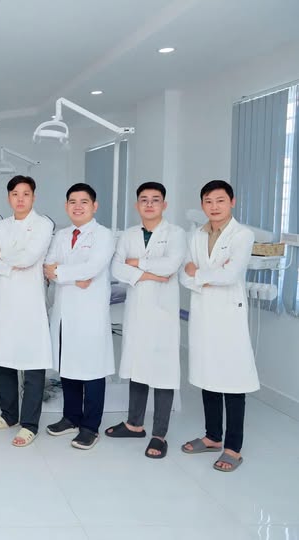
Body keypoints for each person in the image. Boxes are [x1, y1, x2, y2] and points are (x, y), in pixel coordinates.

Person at [180, 180, 259, 472]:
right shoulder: (196, 235)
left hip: (228, 317)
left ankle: (233, 447)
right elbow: (184, 275)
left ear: (232, 202)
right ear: (202, 204)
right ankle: (213, 436)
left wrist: (199, 274)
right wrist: (207, 274)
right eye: (208, 201)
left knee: (233, 380)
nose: (214, 207)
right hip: (203, 314)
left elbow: (230, 275)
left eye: (220, 200)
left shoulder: (243, 235)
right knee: (208, 375)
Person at [107, 182, 186, 458]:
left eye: (155, 199)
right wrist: (151, 273)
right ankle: (134, 424)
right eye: (144, 199)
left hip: (163, 314)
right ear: (137, 205)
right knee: (137, 366)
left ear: (164, 204)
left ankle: (159, 435)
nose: (149, 204)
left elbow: (171, 265)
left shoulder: (176, 234)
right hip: (137, 312)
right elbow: (116, 268)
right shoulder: (128, 235)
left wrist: (135, 263)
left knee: (164, 372)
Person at [0, 175, 54, 447]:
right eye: (15, 194)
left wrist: (3, 260)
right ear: (9, 197)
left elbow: (28, 258)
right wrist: (8, 263)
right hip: (2, 301)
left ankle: (29, 424)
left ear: (33, 197)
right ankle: (8, 414)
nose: (20, 199)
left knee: (32, 362)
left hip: (29, 303)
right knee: (3, 358)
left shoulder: (43, 224)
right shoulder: (2, 226)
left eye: (26, 194)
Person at [44, 182, 115, 450]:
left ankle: (90, 427)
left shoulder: (104, 235)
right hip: (65, 311)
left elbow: (92, 268)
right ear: (66, 206)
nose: (77, 206)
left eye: (84, 202)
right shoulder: (62, 235)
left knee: (93, 370)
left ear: (94, 206)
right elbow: (48, 266)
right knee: (68, 366)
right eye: (72, 201)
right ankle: (71, 418)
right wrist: (74, 276)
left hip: (89, 313)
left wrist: (62, 272)